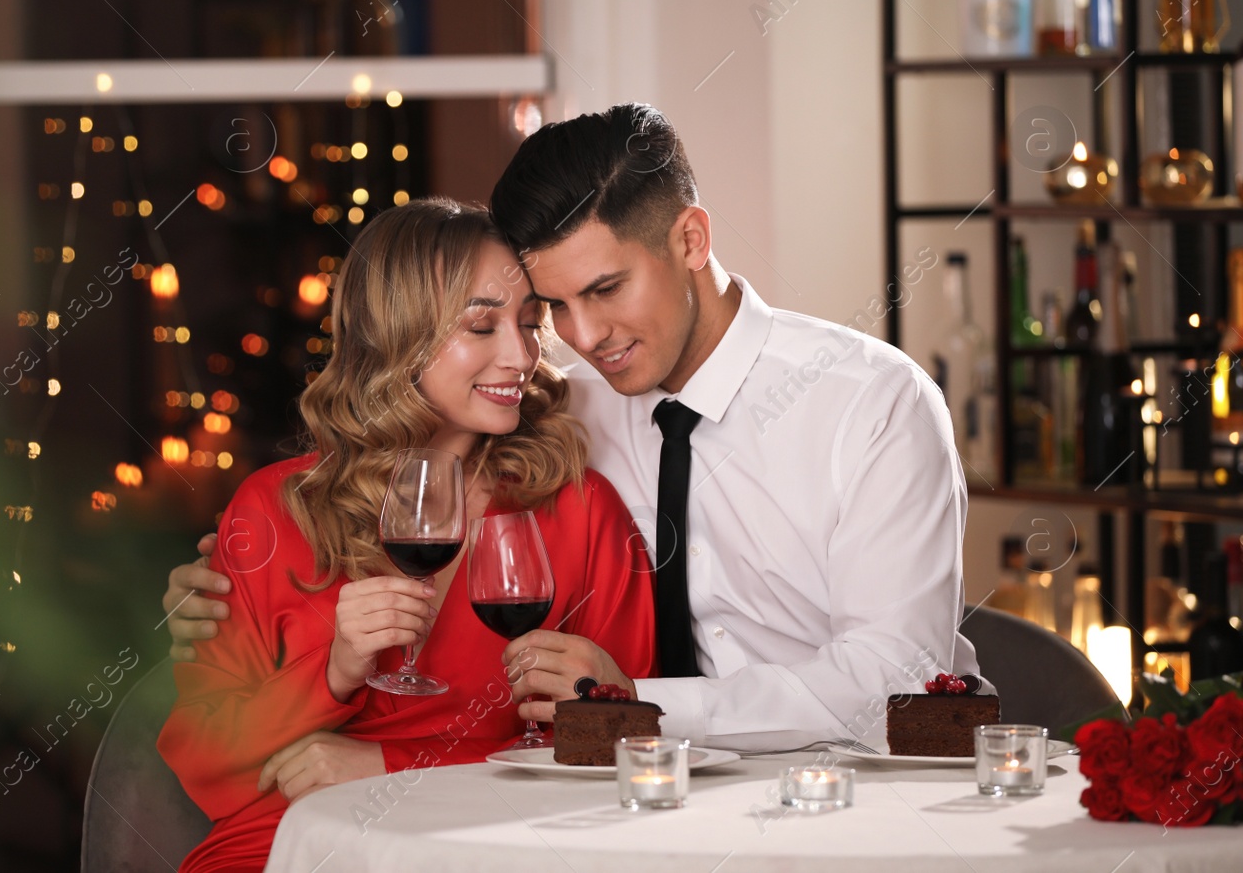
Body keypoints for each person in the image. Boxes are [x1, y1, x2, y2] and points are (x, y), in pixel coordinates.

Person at [165, 102, 984, 756]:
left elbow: (895, 686)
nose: (583, 337)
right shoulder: (564, 409)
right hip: (656, 790)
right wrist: (223, 582)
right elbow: (413, 445)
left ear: (691, 239)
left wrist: (632, 698)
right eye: (554, 305)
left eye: (605, 288)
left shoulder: (872, 403)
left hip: (863, 776)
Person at [157, 198, 654, 873]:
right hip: (292, 843)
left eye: (530, 323)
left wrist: (394, 767)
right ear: (398, 336)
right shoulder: (276, 510)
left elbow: (622, 752)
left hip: (497, 845)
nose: (522, 354)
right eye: (482, 325)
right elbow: (204, 755)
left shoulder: (578, 510)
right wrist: (331, 673)